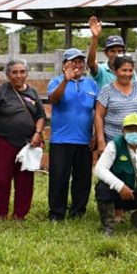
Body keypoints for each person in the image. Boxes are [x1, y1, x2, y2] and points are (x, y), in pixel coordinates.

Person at [0, 59, 46, 221]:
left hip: (27, 143)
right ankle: (0, 214)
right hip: (2, 141)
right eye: (14, 72)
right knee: (1, 179)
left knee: (25, 180)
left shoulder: (32, 92)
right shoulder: (1, 90)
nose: (19, 76)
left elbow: (41, 115)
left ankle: (20, 214)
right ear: (7, 75)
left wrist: (38, 133)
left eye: (22, 72)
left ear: (27, 73)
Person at [47, 48, 98, 221]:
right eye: (73, 61)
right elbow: (54, 99)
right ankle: (56, 213)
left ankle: (78, 211)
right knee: (58, 178)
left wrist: (95, 134)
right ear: (65, 65)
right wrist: (65, 81)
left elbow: (96, 111)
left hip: (84, 140)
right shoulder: (56, 81)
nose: (78, 65)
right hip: (61, 140)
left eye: (80, 61)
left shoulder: (91, 84)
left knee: (82, 179)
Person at [94, 56, 137, 155]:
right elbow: (98, 116)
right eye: (124, 70)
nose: (127, 74)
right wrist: (100, 141)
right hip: (113, 141)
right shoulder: (107, 90)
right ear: (115, 71)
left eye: (130, 70)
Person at [87, 16, 136, 89]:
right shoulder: (102, 70)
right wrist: (95, 37)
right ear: (106, 53)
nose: (116, 54)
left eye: (119, 51)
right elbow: (91, 63)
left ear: (124, 52)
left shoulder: (129, 72)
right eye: (112, 51)